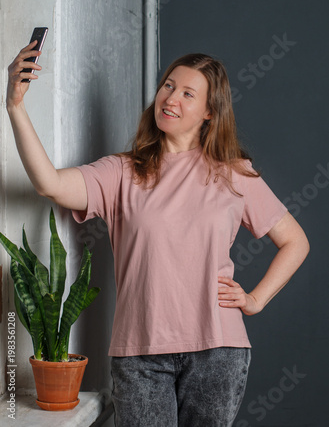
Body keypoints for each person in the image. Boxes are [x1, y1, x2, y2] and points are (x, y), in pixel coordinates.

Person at [6, 41, 309, 427]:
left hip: (218, 349)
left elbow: (295, 241)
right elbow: (49, 183)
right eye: (168, 86)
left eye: (187, 93)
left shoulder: (235, 173)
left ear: (209, 112)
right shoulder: (121, 172)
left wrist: (255, 299)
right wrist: (15, 107)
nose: (170, 98)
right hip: (139, 354)